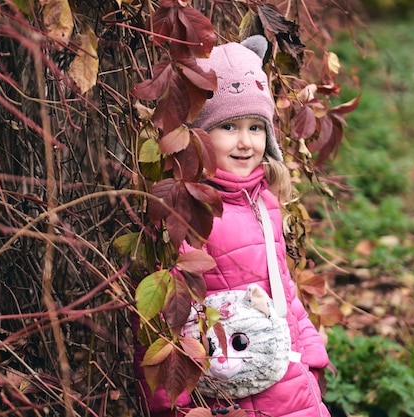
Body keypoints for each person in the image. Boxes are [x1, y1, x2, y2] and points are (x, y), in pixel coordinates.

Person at [134, 35, 331, 417]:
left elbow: (284, 292)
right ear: (200, 135)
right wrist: (173, 405)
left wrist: (311, 353)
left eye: (256, 127)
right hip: (233, 397)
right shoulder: (188, 213)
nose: (245, 142)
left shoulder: (265, 204)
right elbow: (163, 317)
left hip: (291, 383)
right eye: (229, 127)